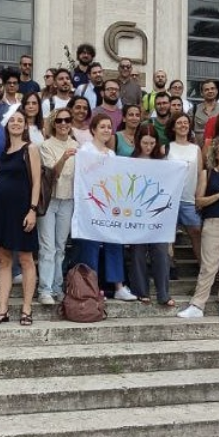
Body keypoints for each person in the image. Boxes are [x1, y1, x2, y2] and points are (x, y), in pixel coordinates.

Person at [0, 109, 41, 326]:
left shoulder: (31, 149)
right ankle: (2, 309)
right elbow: (5, 179)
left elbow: (36, 181)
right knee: (4, 260)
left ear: (25, 126)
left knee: (26, 259)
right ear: (7, 126)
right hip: (1, 210)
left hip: (22, 210)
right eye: (12, 120)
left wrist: (32, 209)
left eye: (20, 120)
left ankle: (26, 309)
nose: (16, 123)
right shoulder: (4, 151)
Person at [178, 135, 219, 318]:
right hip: (212, 223)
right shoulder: (208, 173)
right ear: (216, 153)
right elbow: (198, 201)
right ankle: (197, 305)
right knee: (208, 266)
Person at [75, 113, 138, 302]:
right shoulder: (85, 150)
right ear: (93, 129)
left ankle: (118, 286)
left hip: (109, 206)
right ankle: (91, 286)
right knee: (91, 245)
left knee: (114, 242)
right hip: (90, 205)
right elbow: (84, 175)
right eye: (102, 126)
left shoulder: (111, 154)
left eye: (109, 127)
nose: (106, 130)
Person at [127, 125, 173, 307]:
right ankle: (141, 290)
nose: (148, 147)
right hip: (136, 212)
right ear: (138, 142)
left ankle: (163, 292)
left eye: (152, 143)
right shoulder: (131, 160)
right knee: (138, 252)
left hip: (157, 213)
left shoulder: (162, 161)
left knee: (160, 252)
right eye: (145, 143)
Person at [37, 109, 79, 306]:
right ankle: (44, 289)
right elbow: (50, 174)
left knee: (60, 247)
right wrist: (63, 158)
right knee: (48, 246)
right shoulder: (45, 145)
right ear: (54, 123)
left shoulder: (78, 145)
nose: (64, 123)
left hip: (69, 199)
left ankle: (57, 287)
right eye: (60, 120)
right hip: (50, 199)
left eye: (67, 120)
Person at [166, 114, 203, 266]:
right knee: (169, 235)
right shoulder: (167, 147)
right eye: (179, 123)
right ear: (173, 127)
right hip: (170, 199)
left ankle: (204, 267)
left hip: (189, 199)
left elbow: (201, 174)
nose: (183, 125)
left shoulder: (196, 149)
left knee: (196, 232)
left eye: (186, 122)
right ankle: (170, 266)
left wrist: (199, 196)